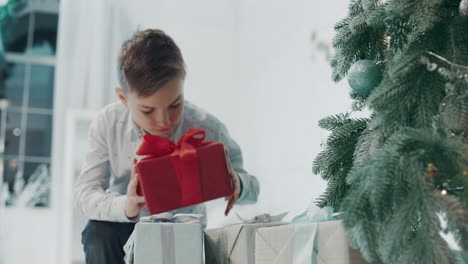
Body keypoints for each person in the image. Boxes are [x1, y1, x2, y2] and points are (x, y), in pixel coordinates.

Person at [74, 29, 260, 264]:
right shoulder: (108, 123)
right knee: (97, 233)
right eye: (148, 110)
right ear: (123, 98)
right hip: (123, 232)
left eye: (175, 104)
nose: (164, 122)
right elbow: (85, 193)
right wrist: (127, 206)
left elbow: (253, 188)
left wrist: (237, 184)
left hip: (184, 235)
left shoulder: (207, 128)